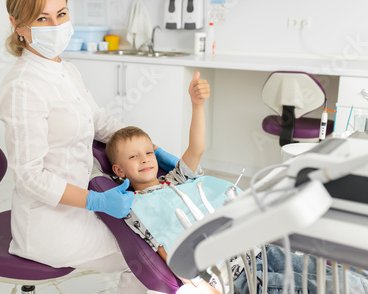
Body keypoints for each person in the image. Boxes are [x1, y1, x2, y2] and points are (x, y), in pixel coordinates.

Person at [0, 0, 174, 294]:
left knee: (151, 233)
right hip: (50, 224)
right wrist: (95, 201)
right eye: (42, 18)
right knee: (149, 252)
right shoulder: (23, 87)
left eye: (61, 14)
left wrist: (150, 149)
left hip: (79, 205)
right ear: (18, 25)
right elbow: (29, 176)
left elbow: (99, 122)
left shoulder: (64, 69)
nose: (57, 25)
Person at [105, 77, 368, 293]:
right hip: (235, 277)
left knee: (336, 273)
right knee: (326, 287)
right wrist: (202, 286)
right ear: (118, 170)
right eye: (133, 157)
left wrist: (197, 105)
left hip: (254, 249)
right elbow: (163, 246)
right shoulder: (135, 206)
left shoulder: (177, 178)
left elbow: (197, 147)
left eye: (149, 152)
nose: (145, 159)